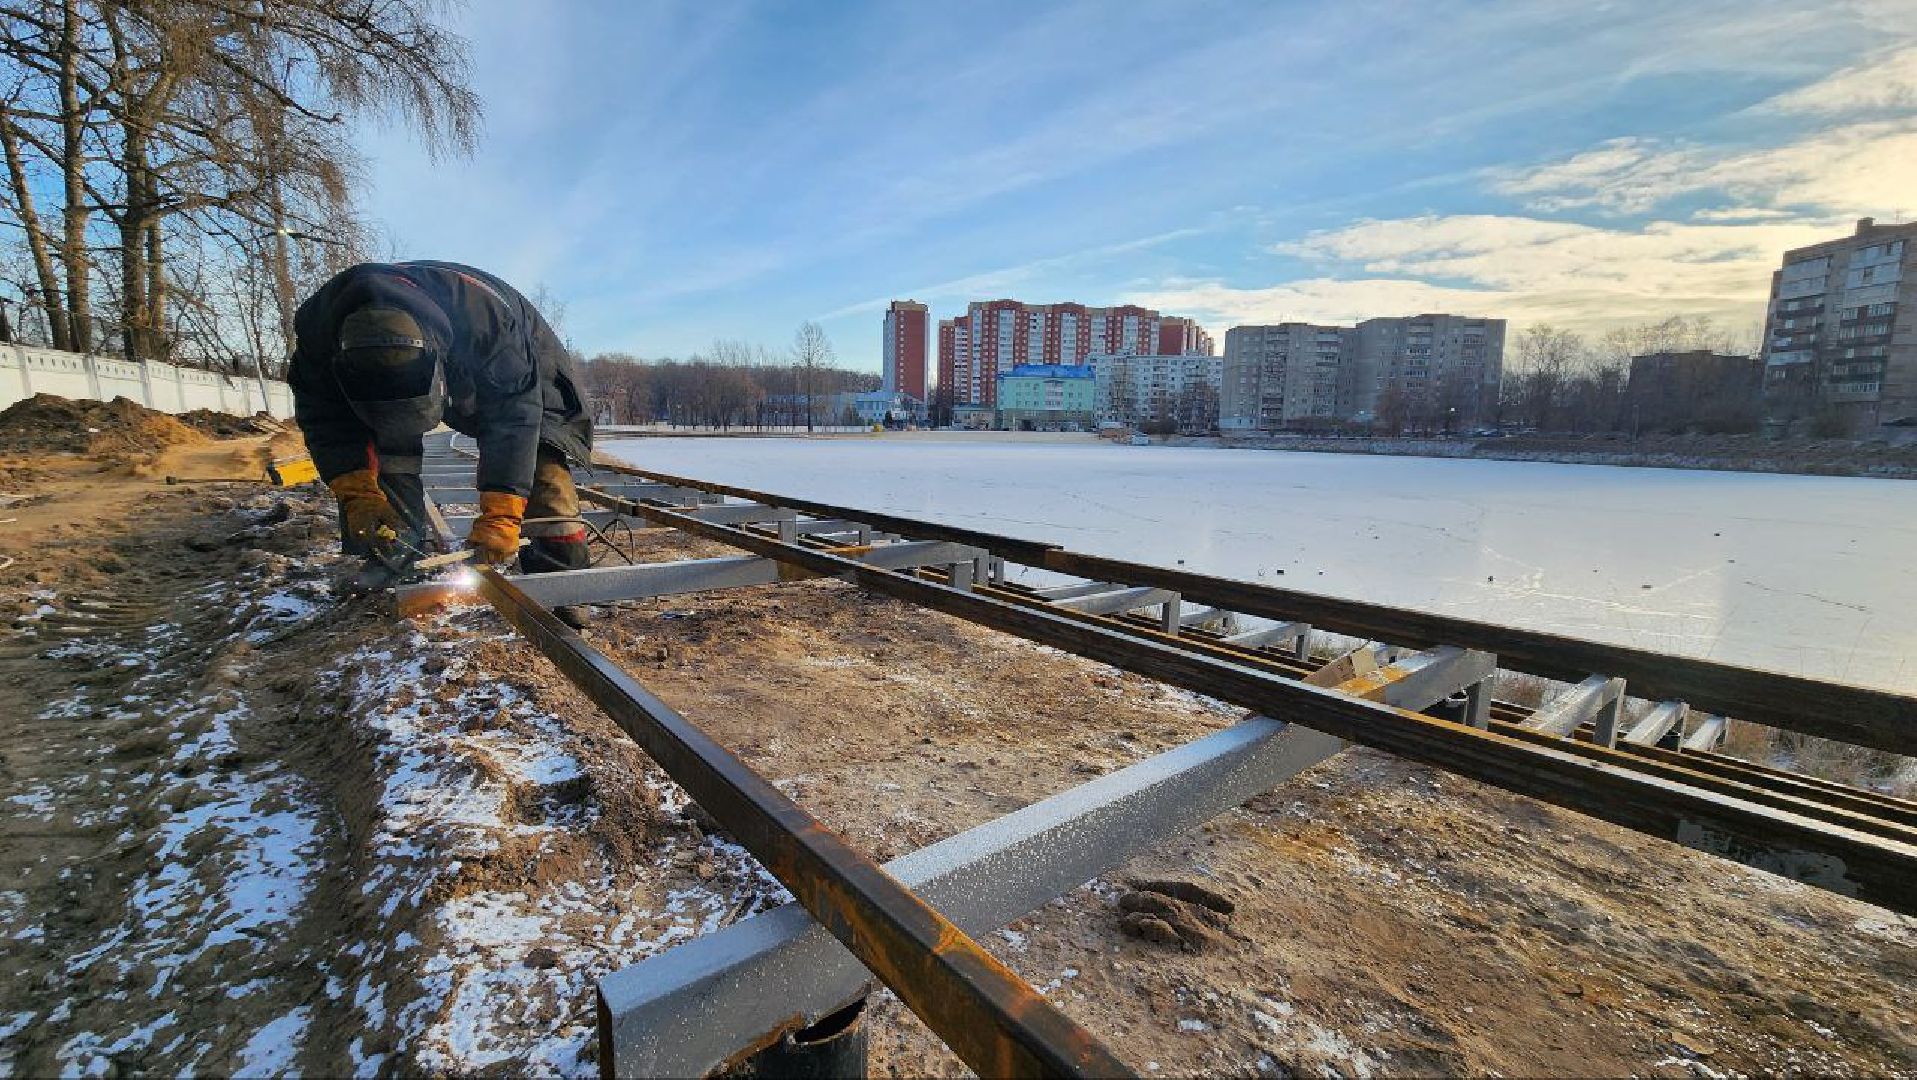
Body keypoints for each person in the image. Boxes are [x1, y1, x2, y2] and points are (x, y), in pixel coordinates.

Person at [286, 260, 595, 616]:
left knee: (542, 456)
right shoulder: (318, 338)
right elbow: (327, 421)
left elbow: (515, 420)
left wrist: (502, 514)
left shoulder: (485, 321)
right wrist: (358, 494)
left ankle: (563, 578)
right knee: (385, 454)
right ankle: (395, 558)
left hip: (525, 365)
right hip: (422, 362)